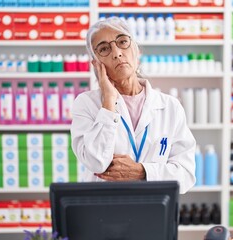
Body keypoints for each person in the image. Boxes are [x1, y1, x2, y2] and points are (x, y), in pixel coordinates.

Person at [70, 17, 196, 194]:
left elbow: (186, 175)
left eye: (122, 42)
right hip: (104, 210)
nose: (117, 53)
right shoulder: (86, 104)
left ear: (136, 50)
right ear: (96, 64)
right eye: (104, 49)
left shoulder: (170, 107)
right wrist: (108, 103)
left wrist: (142, 172)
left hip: (153, 211)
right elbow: (95, 162)